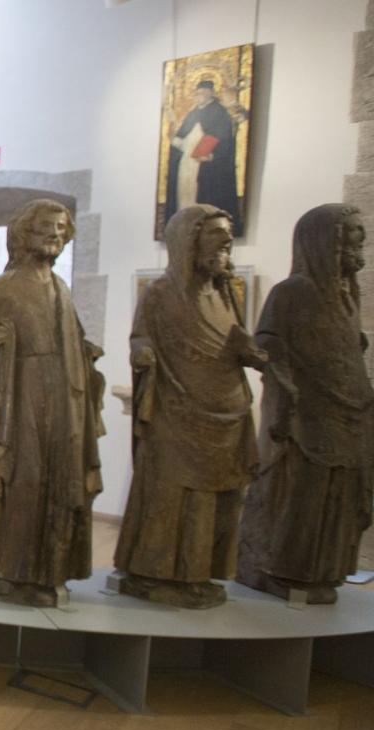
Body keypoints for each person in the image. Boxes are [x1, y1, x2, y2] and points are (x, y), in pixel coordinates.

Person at [114, 205, 263, 609]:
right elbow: (140, 338)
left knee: (218, 500)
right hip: (177, 413)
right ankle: (159, 574)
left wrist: (247, 350)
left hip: (225, 411)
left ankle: (199, 576)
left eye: (227, 235)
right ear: (190, 241)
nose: (225, 243)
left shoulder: (223, 293)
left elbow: (232, 340)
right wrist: (143, 354)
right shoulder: (162, 294)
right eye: (216, 235)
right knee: (177, 498)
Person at [237, 204, 374, 604]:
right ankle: (280, 569)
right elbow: (268, 344)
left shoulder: (348, 297)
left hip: (346, 415)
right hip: (307, 418)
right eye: (351, 232)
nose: (360, 241)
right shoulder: (291, 292)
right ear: (323, 240)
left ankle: (322, 572)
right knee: (302, 497)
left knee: (337, 498)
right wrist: (288, 394)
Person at [0, 199, 105, 607]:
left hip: (63, 393)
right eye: (47, 228)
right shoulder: (3, 285)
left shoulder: (60, 288)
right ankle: (9, 571)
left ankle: (48, 571)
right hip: (24, 391)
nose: (55, 235)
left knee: (58, 479)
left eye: (62, 229)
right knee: (22, 481)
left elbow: (69, 337)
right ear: (26, 234)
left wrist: (83, 352)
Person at [164, 80, 242, 235]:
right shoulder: (193, 114)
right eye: (197, 93)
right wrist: (173, 136)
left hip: (207, 165)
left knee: (202, 195)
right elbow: (181, 139)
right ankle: (184, 224)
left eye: (202, 93)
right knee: (185, 193)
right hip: (187, 163)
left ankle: (201, 226)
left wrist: (212, 155)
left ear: (211, 93)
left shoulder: (219, 113)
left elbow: (225, 139)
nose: (198, 96)